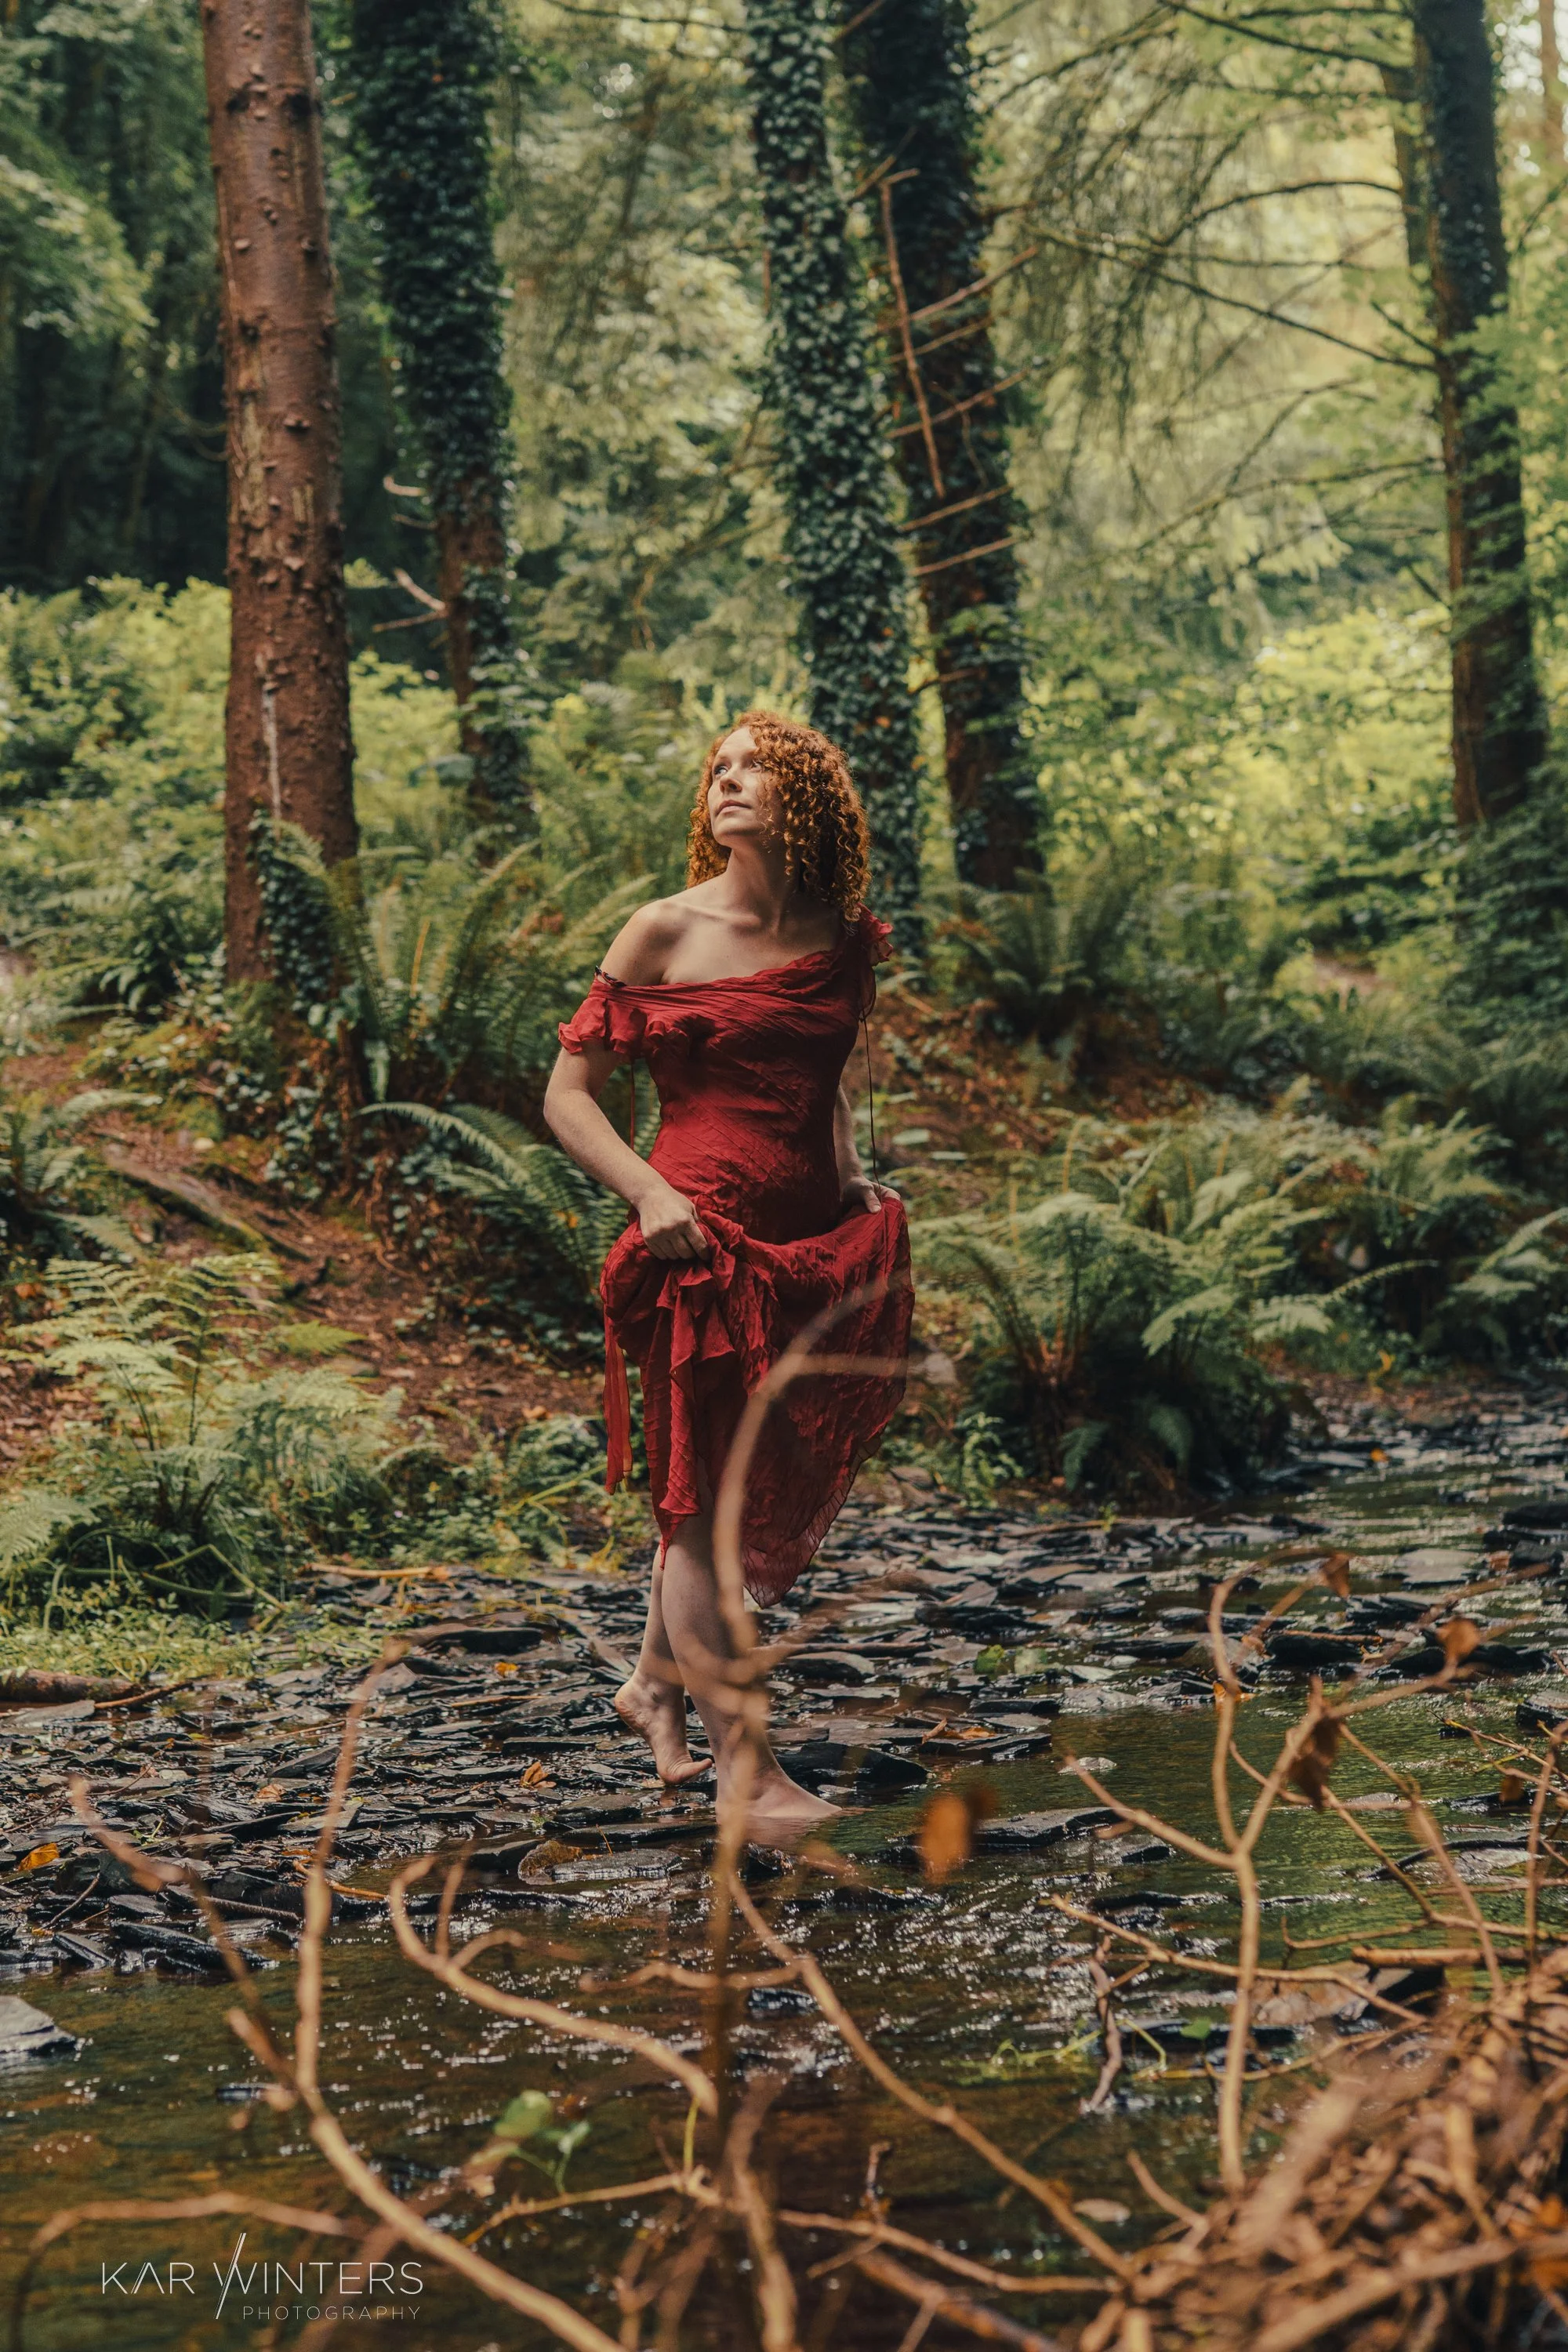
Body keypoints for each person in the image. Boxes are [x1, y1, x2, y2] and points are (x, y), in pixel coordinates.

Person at [544, 711, 914, 1841]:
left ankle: (655, 1686)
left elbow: (831, 1085)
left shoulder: (843, 936)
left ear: (809, 796)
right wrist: (649, 1196)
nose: (732, 782)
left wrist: (854, 1182)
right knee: (703, 1514)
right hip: (696, 1247)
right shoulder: (662, 930)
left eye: (758, 768)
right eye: (721, 769)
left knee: (730, 1489)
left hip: (809, 1248)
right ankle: (745, 1775)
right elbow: (567, 1096)